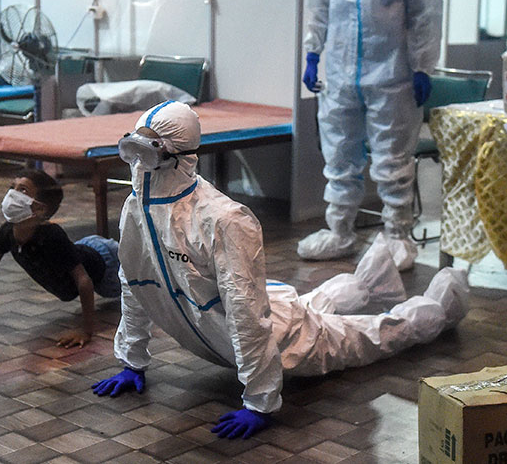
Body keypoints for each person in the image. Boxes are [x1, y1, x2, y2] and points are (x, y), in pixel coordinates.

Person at [91, 101, 469, 440]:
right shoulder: (136, 209)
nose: (138, 160)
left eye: (148, 148)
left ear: (176, 154)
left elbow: (246, 313)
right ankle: (367, 282)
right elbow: (134, 283)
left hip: (287, 342)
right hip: (263, 315)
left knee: (371, 336)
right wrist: (132, 359)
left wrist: (259, 398)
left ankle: (435, 310)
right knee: (302, 308)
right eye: (133, 146)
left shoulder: (222, 219)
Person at [299, 0, 443, 268]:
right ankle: (339, 230)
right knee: (339, 153)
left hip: (391, 72)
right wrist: (313, 51)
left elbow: (425, 7)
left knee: (392, 155)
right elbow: (319, 0)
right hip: (342, 72)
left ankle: (397, 235)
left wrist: (422, 64)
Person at [0, 168, 120, 349]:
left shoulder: (52, 236)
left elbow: (84, 281)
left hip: (106, 266)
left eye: (22, 190)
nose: (12, 194)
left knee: (143, 278)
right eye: (12, 187)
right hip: (83, 251)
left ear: (39, 208)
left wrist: (86, 332)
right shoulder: (8, 231)